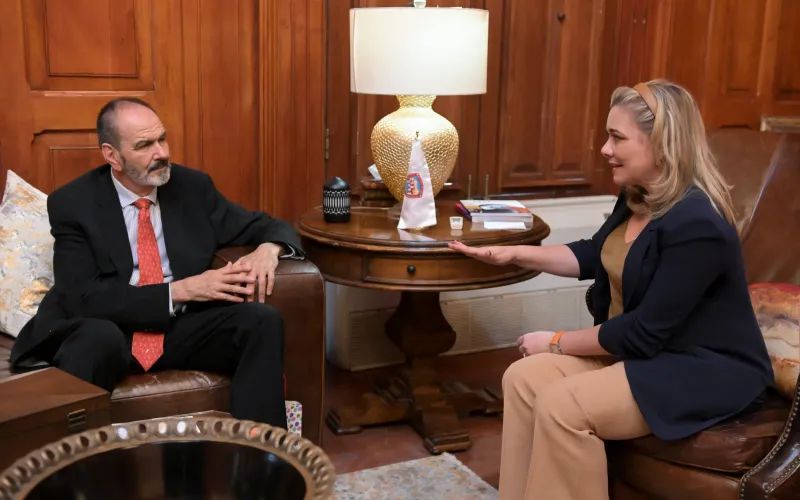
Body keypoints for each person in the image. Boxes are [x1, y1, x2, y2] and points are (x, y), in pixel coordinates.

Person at [449, 80, 773, 500]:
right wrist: (515, 254)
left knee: (563, 406)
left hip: (700, 371)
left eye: (617, 137)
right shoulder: (636, 196)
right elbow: (596, 253)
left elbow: (643, 332)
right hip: (647, 356)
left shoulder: (698, 224)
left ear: (662, 144)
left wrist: (556, 341)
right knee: (522, 379)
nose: (604, 149)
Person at [10, 97, 303, 428]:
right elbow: (81, 298)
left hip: (176, 329)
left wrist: (270, 248)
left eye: (162, 139)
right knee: (95, 339)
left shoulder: (192, 188)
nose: (161, 152)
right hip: (111, 329)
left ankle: (261, 453)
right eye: (144, 145)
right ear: (112, 156)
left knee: (261, 322)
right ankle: (72, 458)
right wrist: (179, 291)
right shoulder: (74, 203)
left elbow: (264, 225)